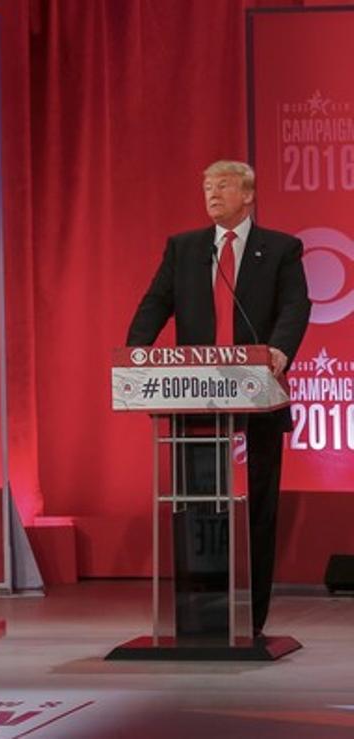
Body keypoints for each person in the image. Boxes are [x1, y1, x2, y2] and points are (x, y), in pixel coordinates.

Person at [126, 160, 311, 635]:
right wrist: (135, 354)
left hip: (260, 389)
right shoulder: (185, 248)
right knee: (199, 502)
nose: (212, 193)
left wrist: (279, 349)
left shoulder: (281, 249)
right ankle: (201, 614)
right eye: (207, 185)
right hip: (198, 395)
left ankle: (255, 619)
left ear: (248, 195)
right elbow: (155, 303)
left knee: (260, 508)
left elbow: (295, 304)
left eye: (223, 185)